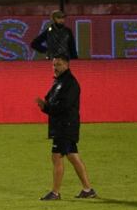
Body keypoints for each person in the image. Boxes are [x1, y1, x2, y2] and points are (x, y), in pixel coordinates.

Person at [34, 54, 96, 200]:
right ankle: (88, 189)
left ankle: (55, 193)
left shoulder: (70, 83)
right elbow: (51, 100)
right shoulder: (59, 82)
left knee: (57, 156)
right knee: (72, 156)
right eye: (54, 64)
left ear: (67, 65)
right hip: (63, 125)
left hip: (65, 125)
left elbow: (64, 106)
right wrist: (45, 106)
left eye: (59, 64)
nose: (55, 67)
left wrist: (46, 107)